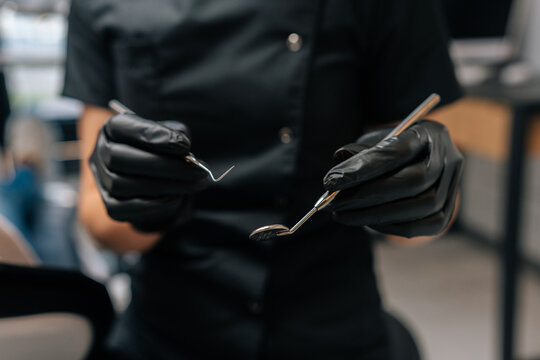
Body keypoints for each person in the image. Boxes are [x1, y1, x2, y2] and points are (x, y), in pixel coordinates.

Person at [63, 0, 464, 359]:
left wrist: (418, 191)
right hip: (168, 326)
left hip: (330, 320)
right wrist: (144, 207)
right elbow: (99, 220)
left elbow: (424, 201)